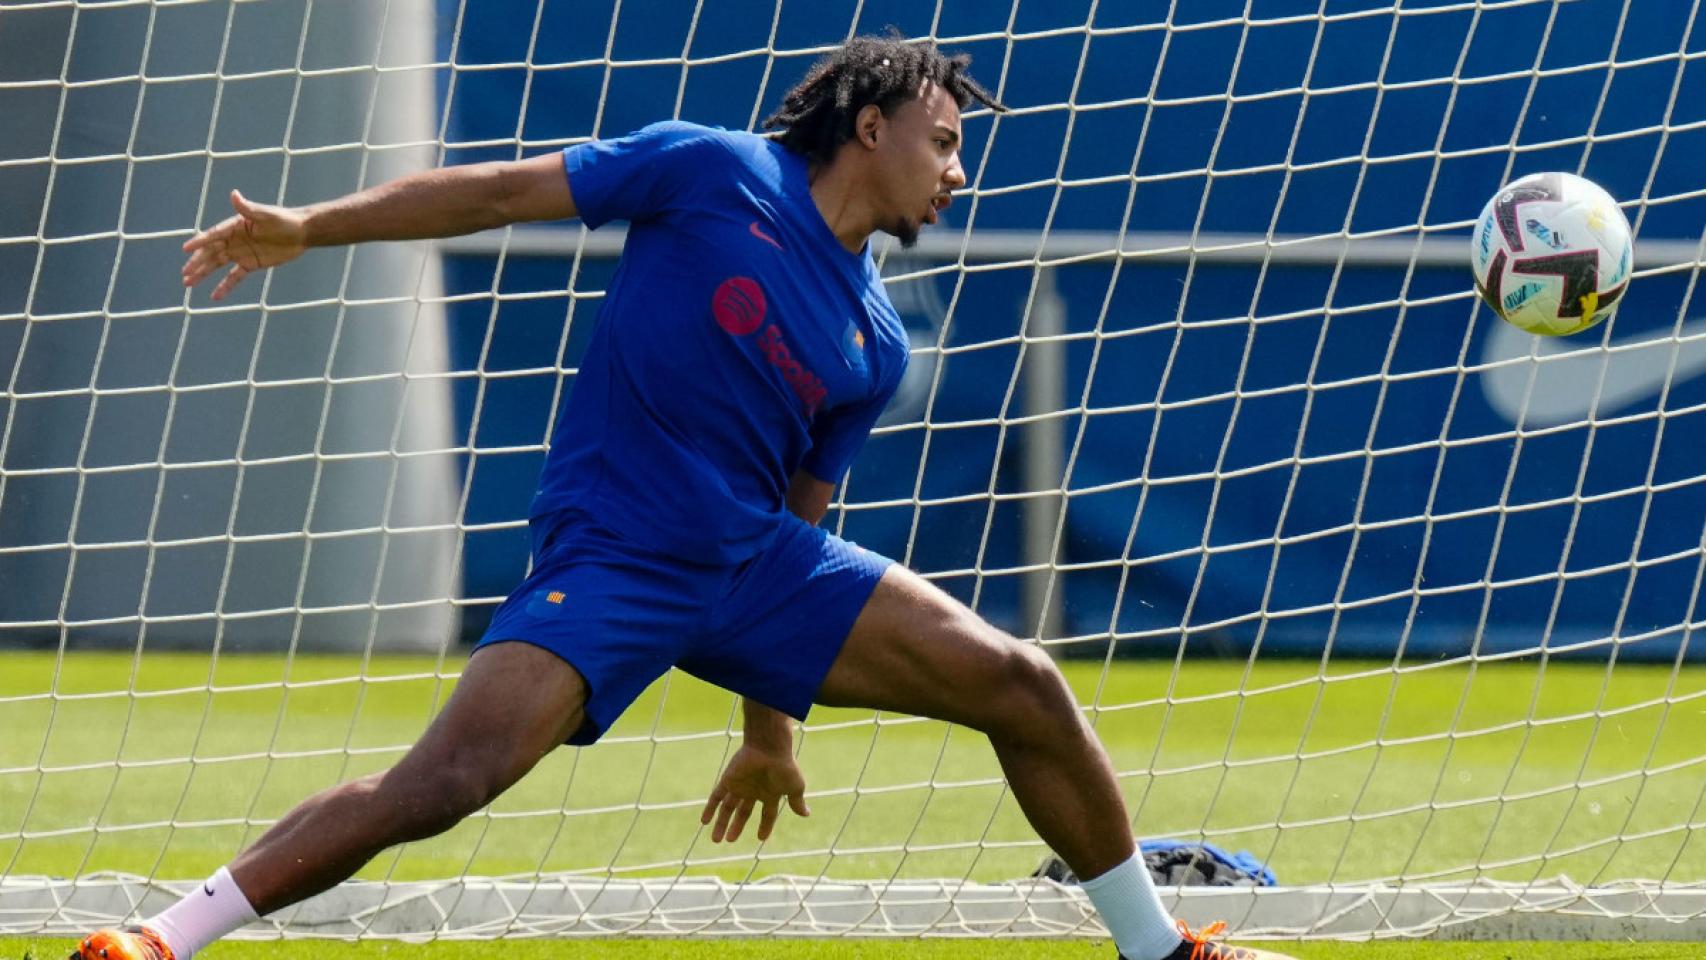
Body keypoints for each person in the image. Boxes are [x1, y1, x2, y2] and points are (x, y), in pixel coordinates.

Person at [69, 34, 1294, 960]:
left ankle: (1158, 946)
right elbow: (497, 193)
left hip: (754, 563)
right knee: (440, 787)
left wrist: (769, 733)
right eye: (943, 142)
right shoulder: (707, 171)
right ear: (868, 126)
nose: (955, 174)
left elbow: (805, 515)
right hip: (615, 555)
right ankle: (163, 939)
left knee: (1020, 681)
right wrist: (307, 226)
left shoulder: (874, 338)